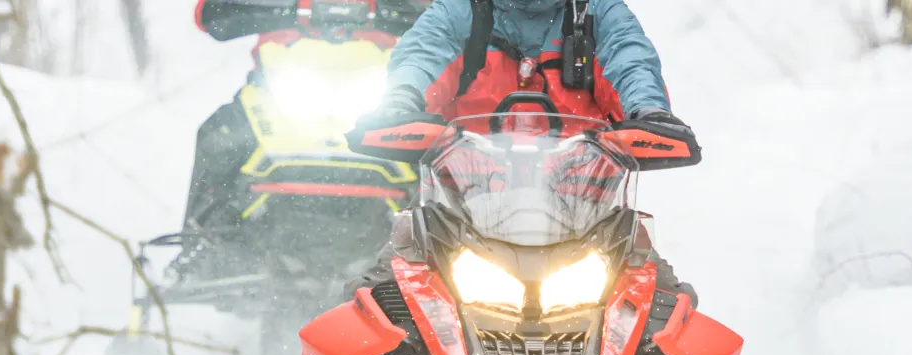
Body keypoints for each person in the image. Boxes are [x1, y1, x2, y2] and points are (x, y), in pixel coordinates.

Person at [348, 0, 698, 302]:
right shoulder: (461, 11)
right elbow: (422, 54)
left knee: (669, 316)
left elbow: (630, 60)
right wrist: (400, 101)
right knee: (371, 308)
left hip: (589, 220)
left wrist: (650, 112)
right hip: (456, 215)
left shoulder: (598, 12)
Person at [184, 0, 425, 234]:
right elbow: (209, 15)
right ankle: (200, 244)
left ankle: (445, 246)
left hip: (380, 77)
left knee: (440, 147)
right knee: (220, 134)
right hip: (276, 82)